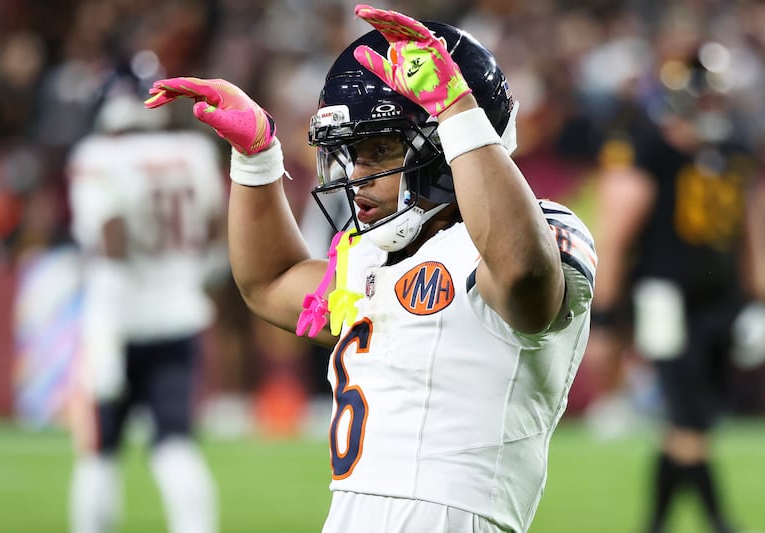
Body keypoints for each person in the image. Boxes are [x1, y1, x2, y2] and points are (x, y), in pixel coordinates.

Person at [146, 5, 596, 532]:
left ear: (446, 144)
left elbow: (524, 278)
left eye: (380, 151)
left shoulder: (541, 231)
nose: (357, 175)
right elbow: (269, 283)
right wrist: (257, 159)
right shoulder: (375, 259)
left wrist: (455, 108)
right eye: (351, 154)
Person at [587, 45, 761, 533]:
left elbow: (749, 227)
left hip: (721, 300)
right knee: (688, 416)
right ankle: (718, 519)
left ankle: (657, 521)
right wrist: (604, 316)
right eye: (704, 99)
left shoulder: (733, 148)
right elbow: (616, 233)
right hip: (663, 296)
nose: (712, 107)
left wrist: (756, 295)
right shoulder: (647, 146)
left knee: (693, 423)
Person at [66, 73, 223, 533]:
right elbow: (216, 233)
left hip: (116, 322)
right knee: (174, 442)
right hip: (179, 316)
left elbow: (110, 243)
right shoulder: (192, 153)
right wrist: (185, 282)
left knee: (98, 452)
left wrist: (105, 338)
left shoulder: (99, 158)